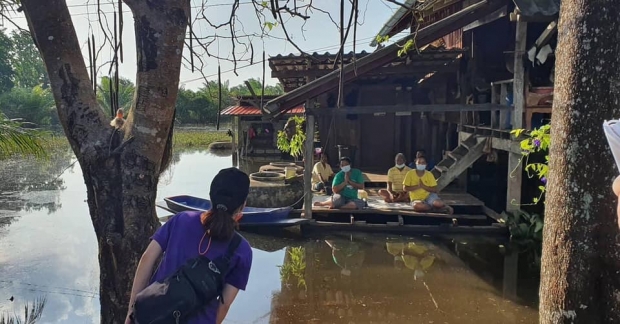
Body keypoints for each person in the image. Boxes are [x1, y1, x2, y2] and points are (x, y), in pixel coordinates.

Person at [125, 168, 253, 324]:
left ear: (211, 196)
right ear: (243, 205)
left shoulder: (181, 220)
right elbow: (223, 306)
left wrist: (132, 312)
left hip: (153, 317)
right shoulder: (242, 250)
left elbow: (147, 259)